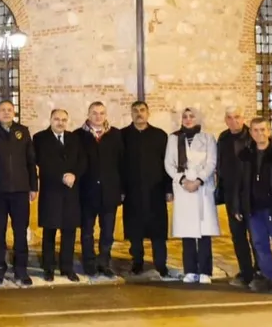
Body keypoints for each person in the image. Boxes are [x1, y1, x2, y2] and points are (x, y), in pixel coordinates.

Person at [0, 100, 37, 285]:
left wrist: (33, 186)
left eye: (9, 110)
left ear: (14, 112)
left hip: (20, 191)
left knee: (20, 232)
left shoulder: (23, 131)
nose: (6, 113)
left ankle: (21, 270)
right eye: (3, 110)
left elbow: (31, 161)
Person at [235, 117, 272, 294]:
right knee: (259, 245)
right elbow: (239, 183)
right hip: (253, 208)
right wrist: (238, 206)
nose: (259, 133)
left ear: (269, 131)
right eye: (255, 130)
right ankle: (268, 278)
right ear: (250, 133)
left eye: (263, 130)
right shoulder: (245, 154)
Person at [166, 107, 219, 284]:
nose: (188, 119)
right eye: (185, 117)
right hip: (183, 189)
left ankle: (205, 270)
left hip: (202, 189)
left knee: (204, 232)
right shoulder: (173, 138)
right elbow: (169, 163)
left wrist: (198, 180)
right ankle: (190, 269)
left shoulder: (207, 138)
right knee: (187, 231)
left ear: (198, 118)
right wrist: (182, 180)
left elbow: (211, 162)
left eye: (191, 116)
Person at [121, 100, 173, 277]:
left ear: (148, 113)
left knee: (158, 230)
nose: (139, 113)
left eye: (142, 110)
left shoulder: (160, 136)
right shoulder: (123, 135)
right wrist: (121, 189)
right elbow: (119, 165)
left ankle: (161, 263)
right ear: (131, 114)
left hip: (155, 191)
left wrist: (168, 189)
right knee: (135, 230)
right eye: (135, 111)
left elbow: (167, 164)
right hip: (132, 191)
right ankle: (137, 262)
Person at [34, 109, 86, 282]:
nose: (60, 122)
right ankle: (48, 267)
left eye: (64, 119)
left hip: (71, 192)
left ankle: (67, 268)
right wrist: (61, 176)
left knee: (69, 232)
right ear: (50, 119)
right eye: (57, 119)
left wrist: (74, 174)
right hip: (51, 191)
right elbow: (42, 162)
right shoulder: (40, 138)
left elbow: (82, 160)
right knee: (50, 232)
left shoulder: (74, 138)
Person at [77, 101, 124, 279]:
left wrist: (121, 189)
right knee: (87, 231)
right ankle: (89, 263)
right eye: (94, 113)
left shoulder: (116, 135)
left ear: (106, 115)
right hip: (87, 192)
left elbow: (122, 163)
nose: (98, 116)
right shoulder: (78, 135)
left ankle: (104, 262)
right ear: (88, 115)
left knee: (107, 231)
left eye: (101, 113)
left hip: (109, 192)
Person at [217, 106, 257, 287]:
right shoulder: (223, 138)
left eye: (237, 117)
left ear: (243, 118)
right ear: (225, 120)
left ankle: (260, 271)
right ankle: (246, 273)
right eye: (230, 118)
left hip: (251, 195)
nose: (233, 121)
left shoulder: (253, 137)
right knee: (238, 237)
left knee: (255, 236)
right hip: (231, 194)